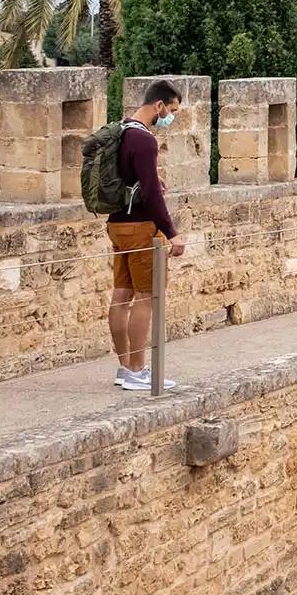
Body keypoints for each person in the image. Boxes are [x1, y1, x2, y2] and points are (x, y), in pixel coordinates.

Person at [107, 80, 186, 391]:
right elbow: (152, 195)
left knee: (121, 295)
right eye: (172, 111)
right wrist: (172, 233)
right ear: (159, 106)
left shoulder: (122, 130)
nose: (171, 117)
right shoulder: (145, 141)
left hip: (117, 224)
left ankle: (124, 366)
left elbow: (135, 179)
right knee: (146, 297)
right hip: (141, 228)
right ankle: (138, 371)